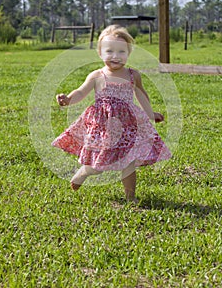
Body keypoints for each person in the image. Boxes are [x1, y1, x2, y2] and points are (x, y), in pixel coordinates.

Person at [52, 25, 171, 202]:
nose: (115, 56)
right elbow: (81, 91)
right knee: (99, 165)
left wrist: (151, 113)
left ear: (128, 53)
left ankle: (130, 197)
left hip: (128, 125)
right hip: (103, 126)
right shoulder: (97, 75)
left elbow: (141, 94)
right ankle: (84, 171)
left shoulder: (133, 75)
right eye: (110, 51)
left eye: (121, 51)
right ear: (100, 53)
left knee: (129, 161)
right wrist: (69, 99)